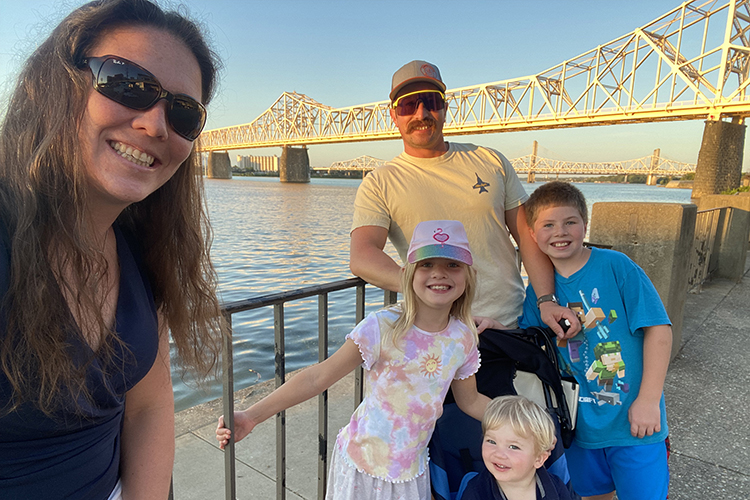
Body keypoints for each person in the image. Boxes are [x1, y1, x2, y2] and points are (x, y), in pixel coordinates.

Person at [0, 0, 224, 498]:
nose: (156, 126)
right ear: (55, 84)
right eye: (127, 84)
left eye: (184, 114)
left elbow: (149, 404)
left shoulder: (144, 252)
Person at [217, 220, 491, 500]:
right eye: (427, 264)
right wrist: (251, 416)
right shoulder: (381, 327)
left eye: (453, 265)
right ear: (409, 272)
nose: (439, 274)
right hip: (362, 466)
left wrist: (526, 420)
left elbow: (470, 400)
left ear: (468, 275)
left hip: (411, 470)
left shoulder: (463, 338)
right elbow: (317, 377)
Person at [349, 60, 579, 338]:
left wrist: (545, 301)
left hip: (509, 323)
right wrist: (425, 287)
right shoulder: (379, 182)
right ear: (393, 115)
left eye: (431, 101)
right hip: (436, 332)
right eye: (408, 106)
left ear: (445, 109)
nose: (421, 113)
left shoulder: (490, 160)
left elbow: (527, 237)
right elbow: (362, 256)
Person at [518, 182, 672, 500]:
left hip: (633, 423)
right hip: (579, 428)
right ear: (532, 235)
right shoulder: (539, 292)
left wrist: (648, 401)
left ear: (585, 225)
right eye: (547, 225)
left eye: (569, 222)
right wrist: (493, 327)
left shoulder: (616, 267)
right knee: (589, 495)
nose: (559, 232)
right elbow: (529, 342)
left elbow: (659, 330)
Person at [462, 395, 572, 500]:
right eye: (491, 441)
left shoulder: (555, 488)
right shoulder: (476, 493)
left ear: (538, 459)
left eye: (513, 447)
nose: (499, 454)